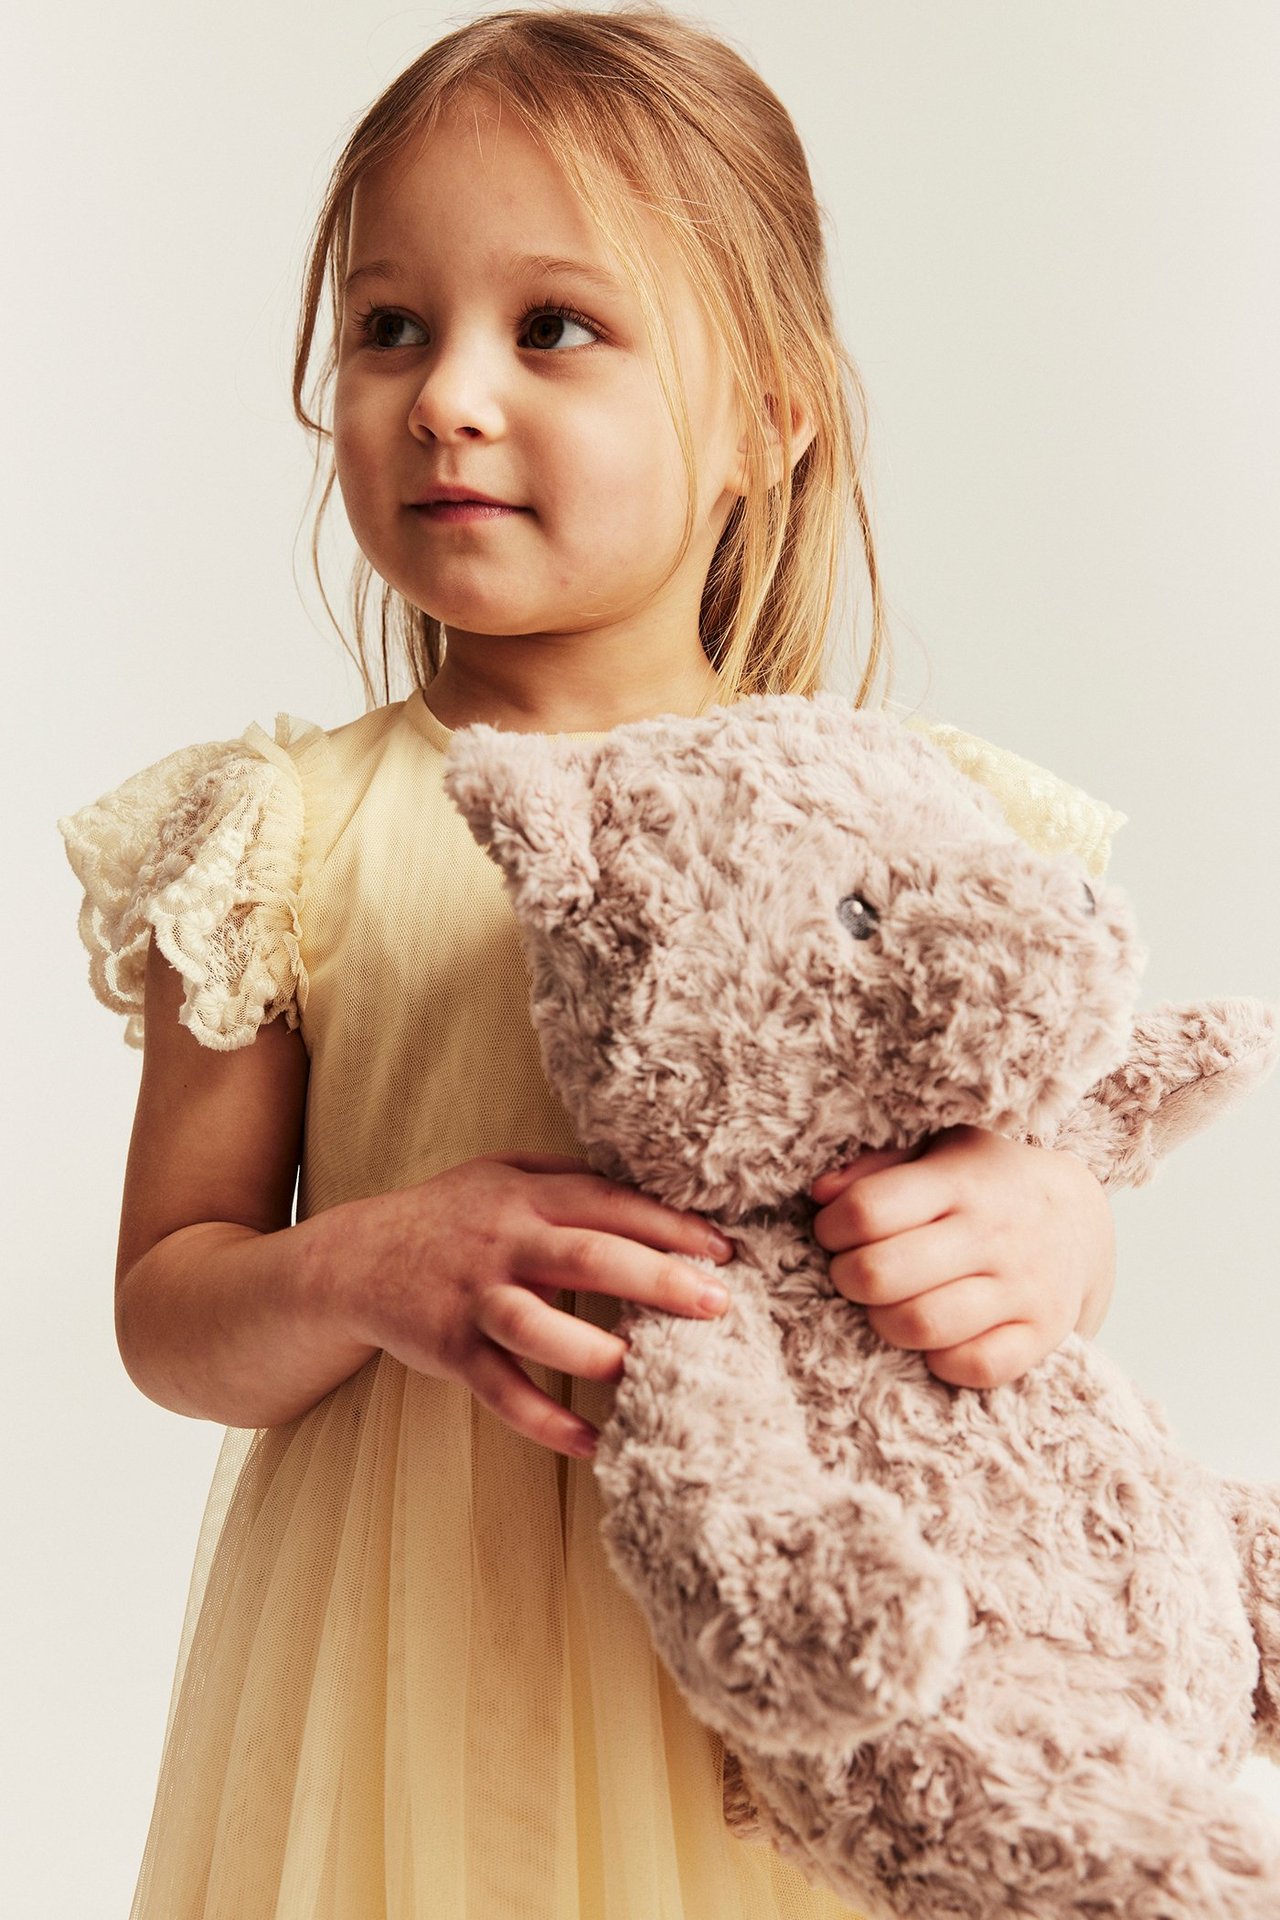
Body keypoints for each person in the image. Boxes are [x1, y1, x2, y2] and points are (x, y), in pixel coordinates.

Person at [58, 7, 1126, 1916]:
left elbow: (1035, 1193)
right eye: (391, 326)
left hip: (805, 1653)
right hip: (410, 1670)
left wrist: (1053, 1231)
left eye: (554, 327)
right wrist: (362, 1262)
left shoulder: (909, 818)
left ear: (767, 415)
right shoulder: (286, 829)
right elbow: (171, 1311)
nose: (447, 396)